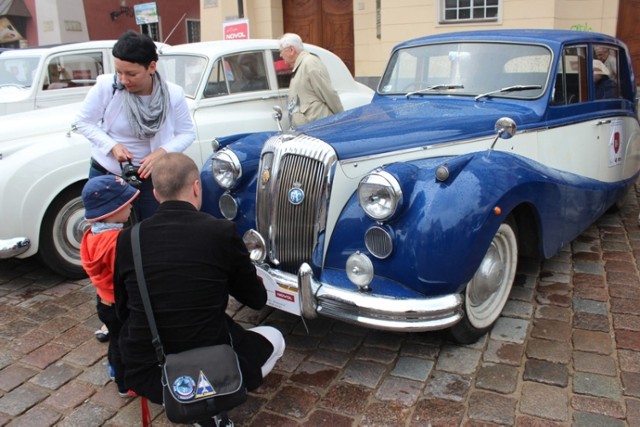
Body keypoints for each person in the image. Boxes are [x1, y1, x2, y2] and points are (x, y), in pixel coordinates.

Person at [113, 153, 285, 423]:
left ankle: (192, 405)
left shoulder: (128, 239)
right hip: (211, 362)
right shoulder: (221, 232)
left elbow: (122, 310)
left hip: (149, 367)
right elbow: (255, 298)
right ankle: (213, 407)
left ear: (156, 194)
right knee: (275, 337)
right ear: (196, 187)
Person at [74, 30, 195, 221]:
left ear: (151, 67)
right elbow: (83, 121)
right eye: (119, 72)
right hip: (108, 174)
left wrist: (162, 152)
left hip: (151, 178)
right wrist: (112, 146)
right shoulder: (108, 87)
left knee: (150, 232)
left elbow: (187, 133)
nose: (123, 80)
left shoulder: (173, 94)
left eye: (131, 74)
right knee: (111, 236)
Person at [80, 174, 140, 397]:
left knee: (115, 339)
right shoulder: (116, 242)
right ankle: (126, 384)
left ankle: (115, 370)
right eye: (126, 203)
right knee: (126, 342)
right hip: (119, 304)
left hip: (103, 301)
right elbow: (126, 275)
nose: (131, 206)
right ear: (111, 212)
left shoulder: (90, 235)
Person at [278, 33, 344, 128]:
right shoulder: (300, 65)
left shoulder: (310, 63)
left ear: (291, 50)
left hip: (318, 126)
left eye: (281, 51)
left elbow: (328, 92)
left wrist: (341, 117)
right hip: (308, 127)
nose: (280, 55)